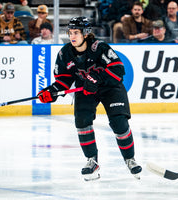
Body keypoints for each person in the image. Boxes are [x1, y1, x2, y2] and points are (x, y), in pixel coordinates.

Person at [37, 16, 142, 181]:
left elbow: (118, 69)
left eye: (76, 33)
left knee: (119, 122)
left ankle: (130, 159)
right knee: (82, 121)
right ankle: (92, 160)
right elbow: (63, 81)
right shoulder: (65, 53)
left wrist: (97, 78)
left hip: (110, 88)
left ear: (85, 34)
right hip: (86, 91)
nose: (72, 36)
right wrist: (51, 91)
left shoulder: (99, 47)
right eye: (70, 32)